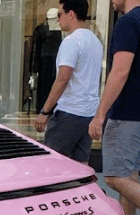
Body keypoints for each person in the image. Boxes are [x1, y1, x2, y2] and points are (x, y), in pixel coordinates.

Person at [88, 0, 140, 215]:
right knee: (129, 176)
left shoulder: (129, 22)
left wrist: (100, 114)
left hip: (128, 114)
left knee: (116, 177)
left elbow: (120, 71)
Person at [34, 0, 102, 164]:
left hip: (69, 112)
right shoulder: (95, 41)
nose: (58, 20)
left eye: (60, 14)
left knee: (52, 165)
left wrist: (45, 111)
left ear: (71, 14)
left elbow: (62, 79)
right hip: (88, 113)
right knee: (80, 166)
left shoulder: (71, 42)